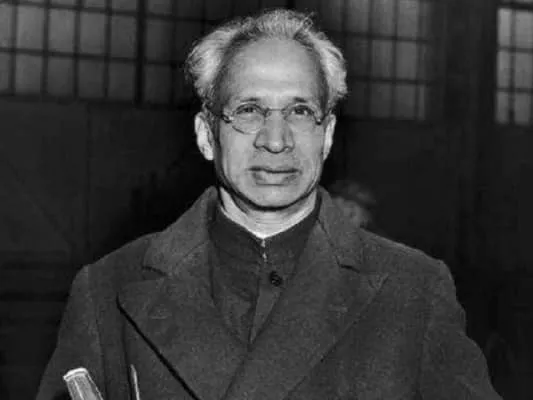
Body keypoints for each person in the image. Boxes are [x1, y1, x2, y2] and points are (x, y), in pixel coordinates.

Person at [37, 9, 501, 400]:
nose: (276, 140)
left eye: (300, 111)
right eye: (249, 110)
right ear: (206, 134)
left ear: (327, 134)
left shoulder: (414, 292)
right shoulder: (108, 291)